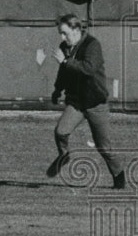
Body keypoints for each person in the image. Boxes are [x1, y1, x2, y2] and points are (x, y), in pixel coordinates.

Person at [47, 14, 126, 190]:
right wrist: (57, 89)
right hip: (77, 103)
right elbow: (63, 71)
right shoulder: (65, 47)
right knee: (61, 131)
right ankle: (64, 155)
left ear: (76, 30)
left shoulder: (92, 45)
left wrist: (66, 61)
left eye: (65, 33)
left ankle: (119, 177)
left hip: (96, 103)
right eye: (60, 33)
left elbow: (89, 69)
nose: (62, 37)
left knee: (103, 147)